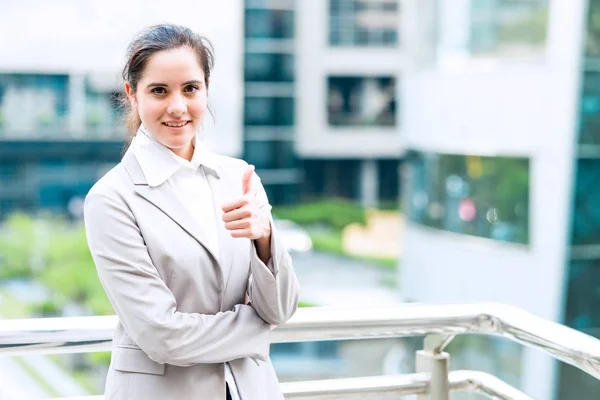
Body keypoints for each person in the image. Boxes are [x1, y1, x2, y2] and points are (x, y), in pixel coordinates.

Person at [84, 24, 300, 400]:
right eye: (159, 91)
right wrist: (255, 329)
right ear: (132, 94)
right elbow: (162, 336)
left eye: (190, 88)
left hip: (252, 389)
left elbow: (279, 308)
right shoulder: (111, 198)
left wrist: (264, 237)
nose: (177, 107)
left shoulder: (240, 178)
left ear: (206, 88)